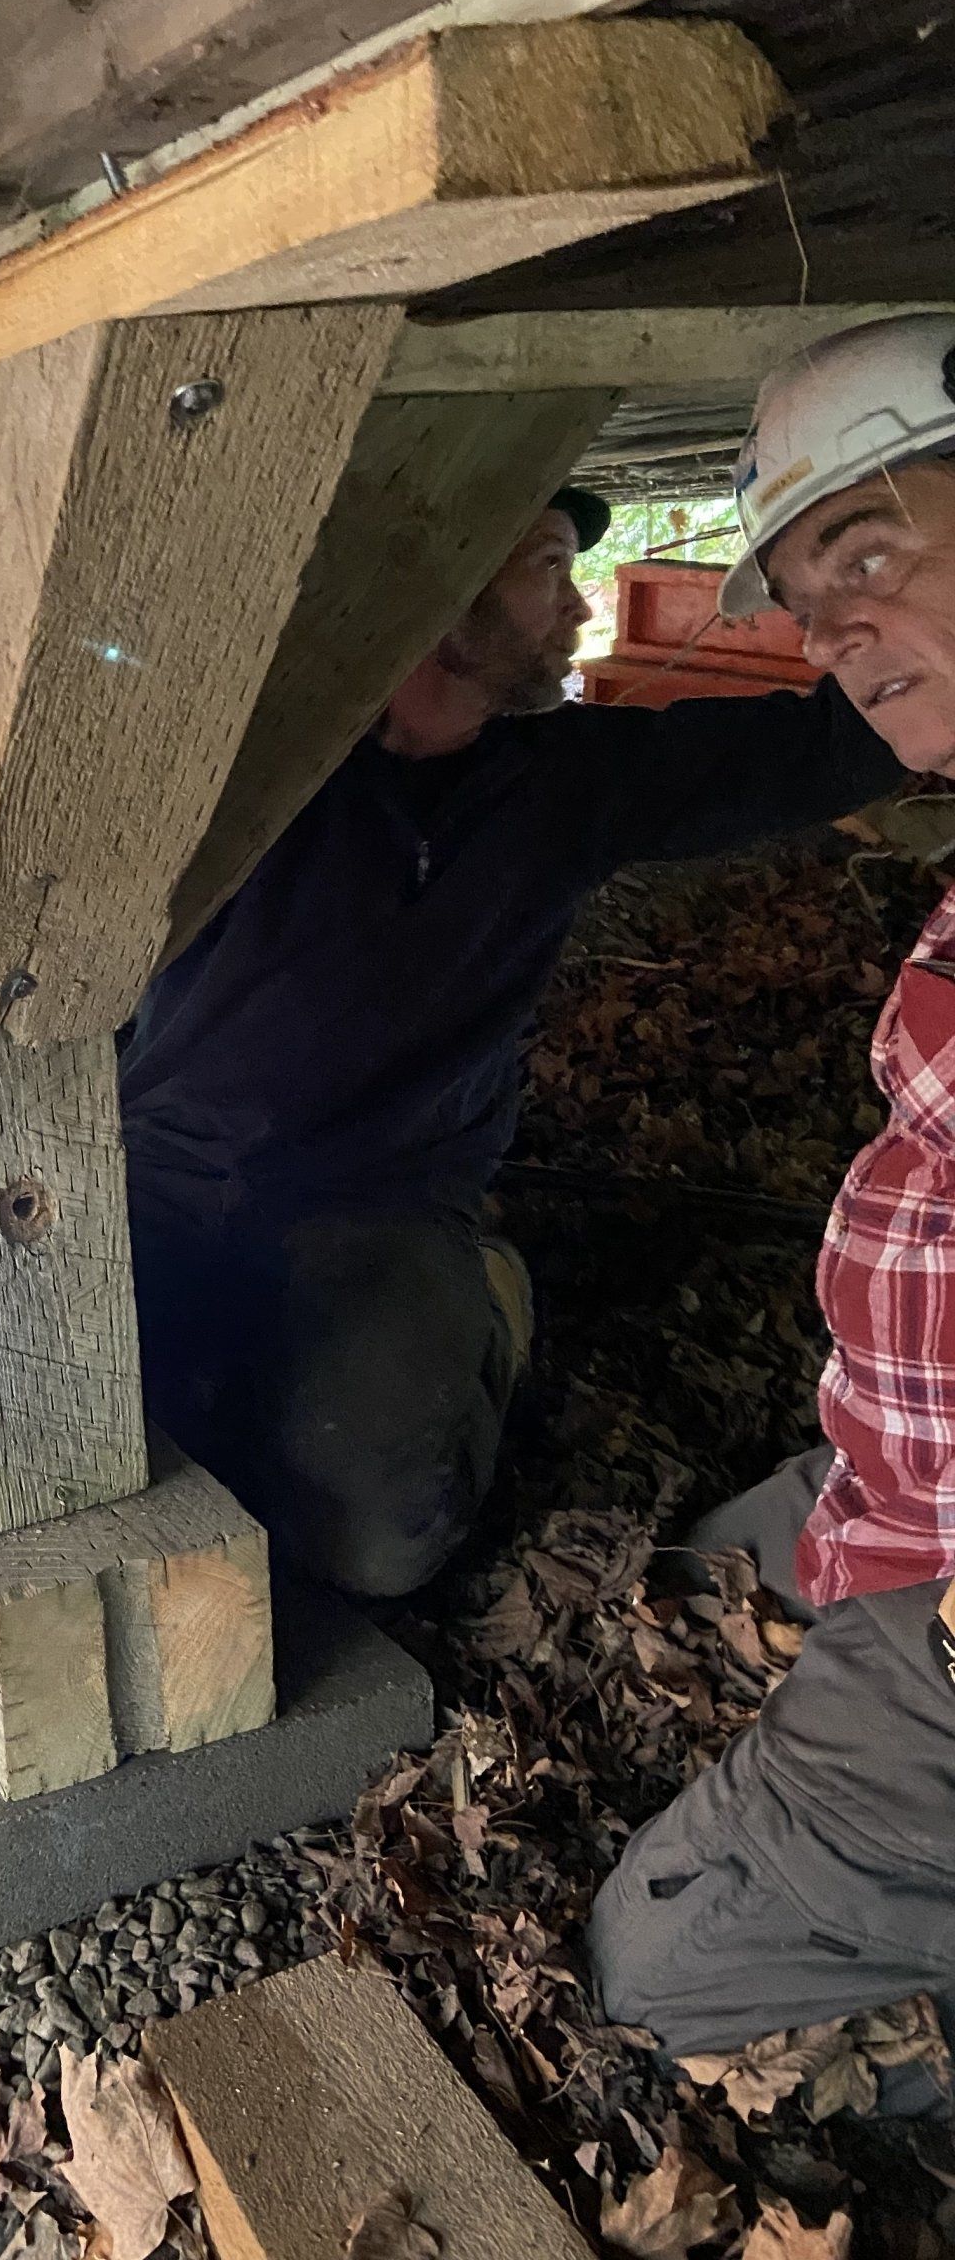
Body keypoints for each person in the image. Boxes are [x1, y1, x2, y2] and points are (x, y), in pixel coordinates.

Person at [121, 482, 898, 1601]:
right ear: (437, 589)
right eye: (548, 569)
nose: (579, 607)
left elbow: (825, 749)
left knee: (380, 1544)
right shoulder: (249, 773)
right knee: (46, 1443)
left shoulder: (567, 782)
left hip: (380, 1202)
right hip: (158, 1174)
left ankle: (489, 1294)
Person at [589, 311, 955, 2057]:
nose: (833, 632)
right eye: (811, 599)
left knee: (652, 1983)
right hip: (909, 1476)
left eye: (871, 553)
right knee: (663, 1598)